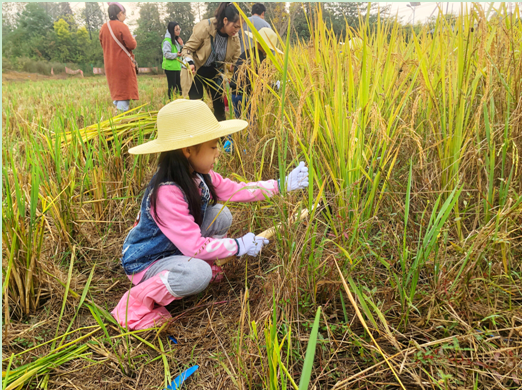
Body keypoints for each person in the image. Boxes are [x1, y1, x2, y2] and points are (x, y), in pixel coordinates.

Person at [111, 99, 309, 330]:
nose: (218, 154)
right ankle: (136, 302)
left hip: (175, 247)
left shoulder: (198, 175)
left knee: (220, 214)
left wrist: (279, 185)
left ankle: (195, 264)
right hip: (149, 260)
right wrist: (237, 245)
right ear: (187, 150)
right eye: (213, 147)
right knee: (198, 273)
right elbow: (194, 247)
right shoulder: (166, 192)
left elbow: (237, 190)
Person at [181, 2, 242, 122]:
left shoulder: (234, 37)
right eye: (235, 26)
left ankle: (222, 138)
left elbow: (237, 60)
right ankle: (197, 134)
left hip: (216, 71)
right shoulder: (205, 27)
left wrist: (237, 69)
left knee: (219, 107)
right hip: (197, 69)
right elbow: (187, 49)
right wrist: (190, 62)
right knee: (196, 104)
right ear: (225, 20)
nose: (237, 30)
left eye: (239, 27)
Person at [230, 27, 283, 119]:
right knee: (251, 125)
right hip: (248, 98)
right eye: (270, 49)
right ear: (264, 46)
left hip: (235, 94)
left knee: (239, 123)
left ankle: (234, 134)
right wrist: (274, 87)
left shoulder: (245, 53)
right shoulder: (261, 61)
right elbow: (260, 85)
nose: (269, 51)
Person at [99, 2, 138, 113]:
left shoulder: (103, 27)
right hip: (122, 64)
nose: (125, 17)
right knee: (123, 91)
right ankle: (120, 117)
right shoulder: (122, 26)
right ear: (120, 13)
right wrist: (134, 39)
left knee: (116, 90)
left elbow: (103, 44)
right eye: (124, 14)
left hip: (110, 64)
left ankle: (117, 110)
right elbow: (132, 45)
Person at [162, 22, 184, 100]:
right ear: (171, 30)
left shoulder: (176, 40)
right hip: (170, 68)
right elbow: (166, 54)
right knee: (172, 87)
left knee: (179, 87)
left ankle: (179, 101)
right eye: (176, 29)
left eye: (179, 29)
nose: (179, 31)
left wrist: (182, 45)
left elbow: (182, 52)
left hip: (177, 67)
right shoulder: (167, 41)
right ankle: (170, 102)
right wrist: (176, 55)